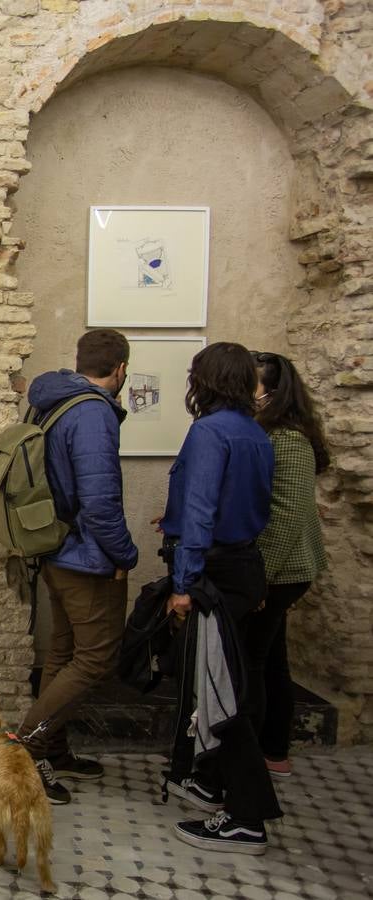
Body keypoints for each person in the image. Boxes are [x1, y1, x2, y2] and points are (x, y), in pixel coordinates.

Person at [160, 342, 281, 855]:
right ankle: (209, 785)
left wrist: (184, 585)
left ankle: (247, 819)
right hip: (244, 567)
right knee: (226, 685)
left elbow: (203, 511)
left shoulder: (209, 432)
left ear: (205, 380)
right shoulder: (255, 432)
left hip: (215, 573)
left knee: (221, 697)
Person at [18, 329, 139, 805]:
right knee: (94, 659)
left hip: (56, 545)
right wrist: (125, 555)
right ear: (121, 369)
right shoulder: (92, 413)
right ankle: (26, 748)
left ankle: (52, 748)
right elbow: (100, 501)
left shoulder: (55, 402)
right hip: (87, 557)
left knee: (65, 654)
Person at [246, 351, 329, 777]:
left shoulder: (289, 439)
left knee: (256, 661)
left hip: (282, 571)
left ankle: (256, 759)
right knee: (272, 658)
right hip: (277, 570)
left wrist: (259, 580)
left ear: (273, 393)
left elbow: (285, 516)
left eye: (251, 386)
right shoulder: (268, 433)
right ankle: (272, 751)